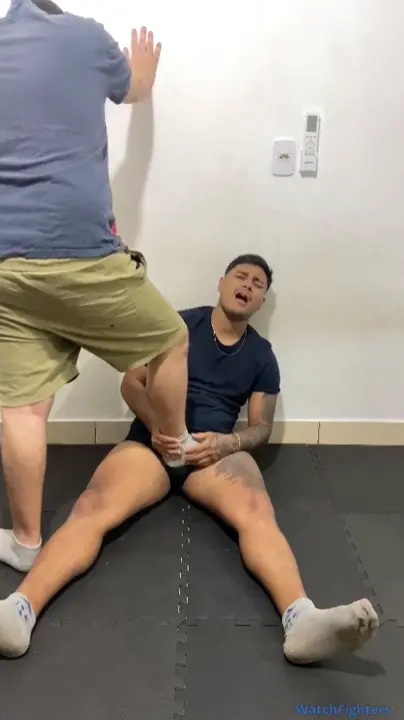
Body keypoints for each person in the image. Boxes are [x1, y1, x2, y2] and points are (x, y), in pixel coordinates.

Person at [0, 254, 379, 662]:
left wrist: (226, 444)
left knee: (257, 512)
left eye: (257, 285)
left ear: (260, 302)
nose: (247, 285)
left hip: (211, 455)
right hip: (151, 445)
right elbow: (131, 384)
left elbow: (261, 428)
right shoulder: (178, 327)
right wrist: (161, 429)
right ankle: (20, 609)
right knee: (93, 507)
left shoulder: (262, 355)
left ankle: (301, 618)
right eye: (241, 276)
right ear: (221, 282)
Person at [0, 0, 197, 574]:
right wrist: (144, 71)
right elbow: (133, 89)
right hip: (79, 249)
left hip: (6, 261)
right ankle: (176, 444)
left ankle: (26, 542)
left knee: (22, 409)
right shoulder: (84, 36)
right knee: (170, 339)